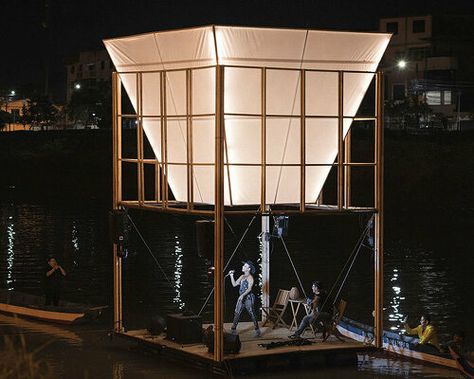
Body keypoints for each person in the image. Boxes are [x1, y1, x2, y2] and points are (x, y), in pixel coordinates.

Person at [228, 261, 261, 338]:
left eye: (245, 266)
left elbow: (249, 289)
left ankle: (257, 330)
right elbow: (234, 284)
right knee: (237, 312)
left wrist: (242, 295)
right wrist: (231, 276)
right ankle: (233, 329)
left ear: (248, 269)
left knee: (251, 313)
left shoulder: (250, 277)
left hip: (248, 298)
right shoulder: (242, 276)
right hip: (241, 297)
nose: (243, 267)